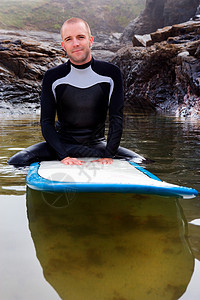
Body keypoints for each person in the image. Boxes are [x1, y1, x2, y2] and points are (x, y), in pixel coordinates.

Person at [8, 17, 145, 166]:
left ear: (90, 40)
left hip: (97, 146)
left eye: (80, 37)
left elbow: (116, 119)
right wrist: (63, 156)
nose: (76, 44)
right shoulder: (53, 77)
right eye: (69, 39)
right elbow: (46, 123)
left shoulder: (111, 73)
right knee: (17, 161)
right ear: (63, 46)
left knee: (141, 161)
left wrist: (109, 154)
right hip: (61, 145)